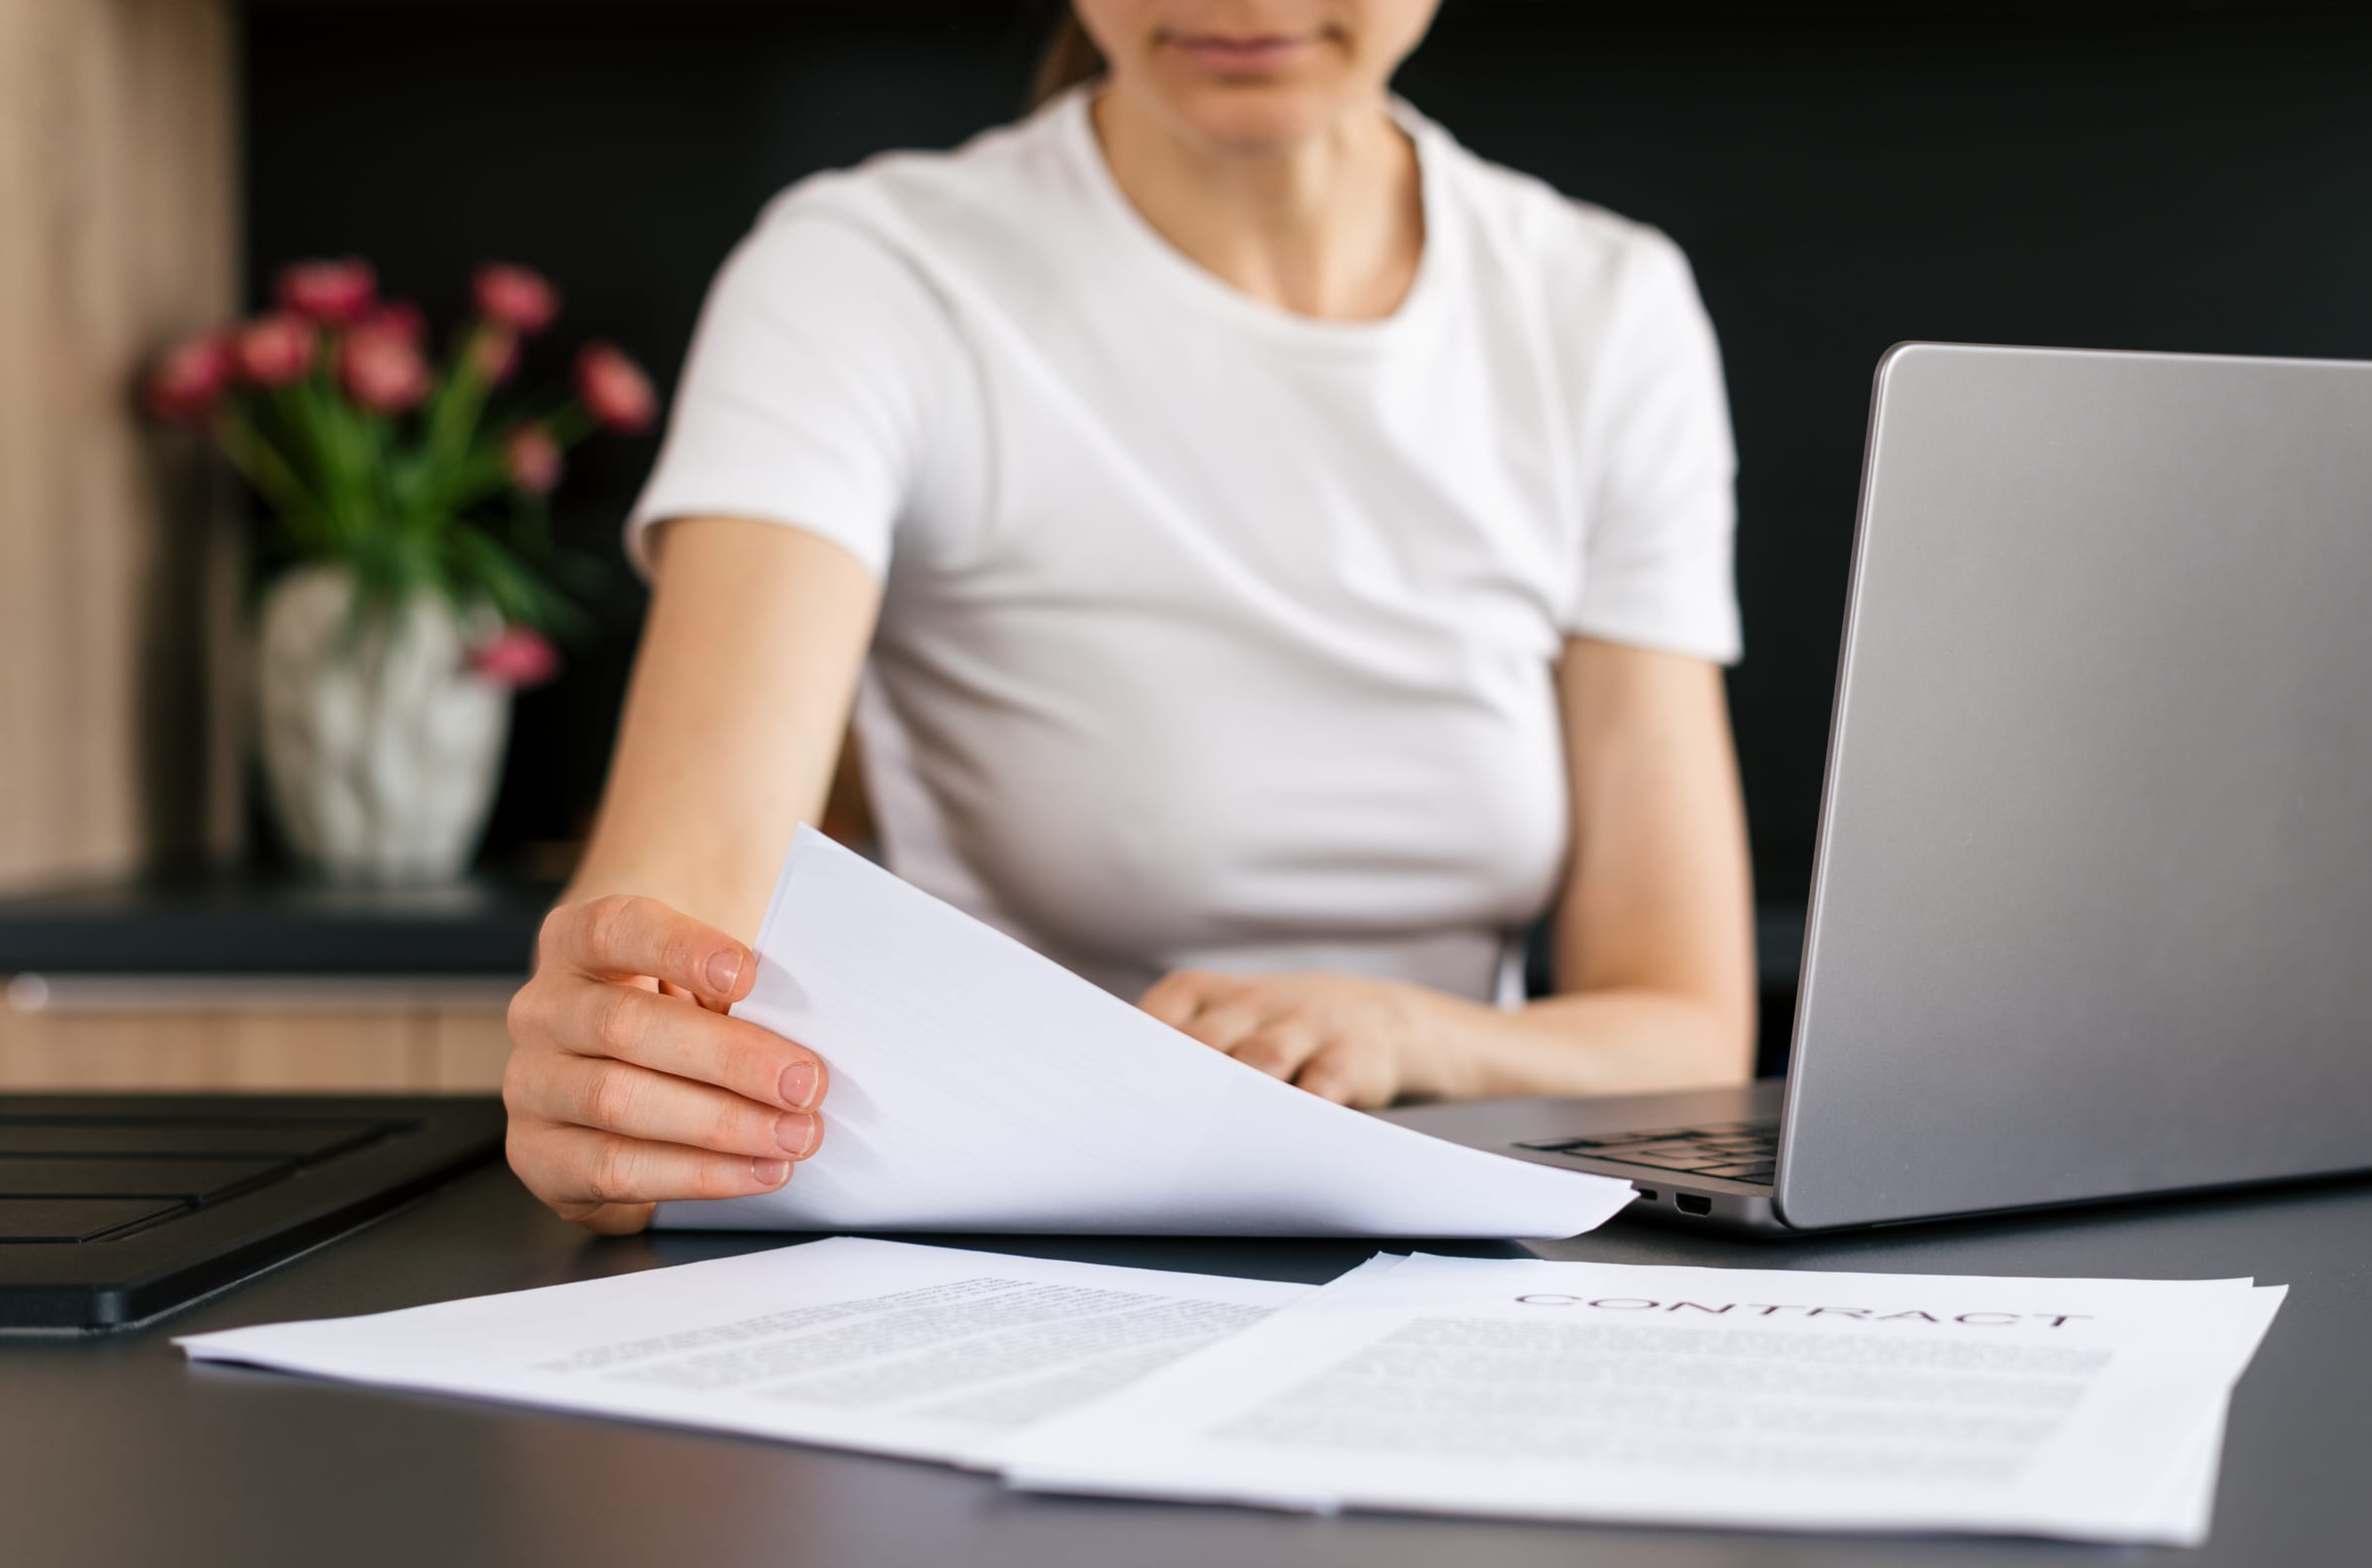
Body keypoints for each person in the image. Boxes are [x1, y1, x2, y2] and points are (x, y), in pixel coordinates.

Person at [502, 0, 1755, 1233]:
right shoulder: (868, 274)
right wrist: (622, 1085)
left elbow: (1685, 1025)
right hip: (1005, 1222)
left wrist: (1396, 1028)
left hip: (1467, 1229)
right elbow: (676, 918)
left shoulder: (1602, 305)